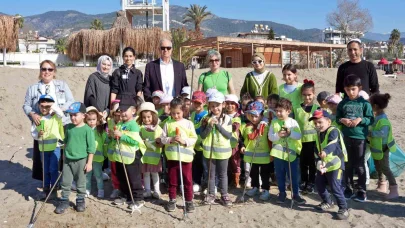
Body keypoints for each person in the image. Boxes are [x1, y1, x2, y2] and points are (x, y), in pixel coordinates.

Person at [23, 60, 75, 181]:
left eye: (50, 69)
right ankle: (46, 181)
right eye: (44, 69)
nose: (47, 72)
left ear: (54, 71)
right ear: (40, 71)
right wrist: (33, 114)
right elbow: (26, 105)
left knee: (62, 154)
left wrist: (58, 109)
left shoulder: (62, 85)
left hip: (61, 124)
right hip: (43, 125)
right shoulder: (32, 88)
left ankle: (63, 180)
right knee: (44, 155)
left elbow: (70, 101)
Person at [336, 74, 374, 202]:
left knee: (360, 165)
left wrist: (360, 119)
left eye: (353, 89)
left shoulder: (364, 104)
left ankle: (362, 191)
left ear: (359, 88)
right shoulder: (342, 103)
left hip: (360, 138)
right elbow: (337, 118)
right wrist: (342, 120)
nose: (350, 92)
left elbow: (371, 119)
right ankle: (348, 189)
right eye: (347, 89)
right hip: (346, 137)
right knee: (347, 164)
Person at [55, 102, 95, 214]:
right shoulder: (68, 128)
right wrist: (63, 159)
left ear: (83, 115)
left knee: (81, 182)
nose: (73, 117)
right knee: (66, 182)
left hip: (81, 161)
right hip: (68, 160)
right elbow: (65, 143)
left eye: (75, 115)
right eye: (71, 115)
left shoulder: (87, 130)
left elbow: (91, 148)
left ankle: (80, 200)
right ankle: (64, 200)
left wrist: (89, 163)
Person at [309, 110, 349, 220]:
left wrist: (325, 151)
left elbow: (332, 143)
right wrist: (318, 161)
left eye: (320, 122)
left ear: (328, 122)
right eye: (315, 123)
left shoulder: (334, 131)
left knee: (335, 187)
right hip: (324, 164)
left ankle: (343, 208)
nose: (317, 125)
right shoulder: (317, 133)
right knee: (319, 184)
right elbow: (317, 148)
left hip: (336, 164)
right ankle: (327, 201)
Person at [160, 97, 197, 213]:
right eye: (173, 113)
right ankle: (172, 199)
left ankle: (189, 201)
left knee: (187, 180)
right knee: (173, 180)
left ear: (184, 112)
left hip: (185, 158)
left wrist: (184, 141)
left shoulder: (188, 124)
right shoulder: (168, 123)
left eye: (178, 113)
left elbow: (194, 138)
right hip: (172, 157)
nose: (176, 116)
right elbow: (162, 138)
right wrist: (170, 139)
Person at [268, 98, 306, 204]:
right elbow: (270, 137)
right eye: (277, 111)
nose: (278, 113)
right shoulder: (274, 122)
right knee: (280, 175)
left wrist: (290, 133)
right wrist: (278, 135)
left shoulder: (293, 122)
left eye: (281, 111)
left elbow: (299, 136)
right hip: (278, 155)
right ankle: (282, 193)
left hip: (291, 155)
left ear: (288, 111)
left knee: (293, 175)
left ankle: (295, 194)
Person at [112, 99, 146, 209]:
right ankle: (125, 194)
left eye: (125, 110)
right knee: (122, 176)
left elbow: (135, 141)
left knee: (133, 178)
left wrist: (122, 136)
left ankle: (138, 198)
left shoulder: (133, 125)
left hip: (132, 156)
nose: (122, 113)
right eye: (121, 110)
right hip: (121, 156)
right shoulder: (120, 124)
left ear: (133, 111)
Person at [200, 91, 233, 206]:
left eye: (217, 105)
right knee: (210, 174)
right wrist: (209, 126)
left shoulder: (228, 119)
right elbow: (202, 135)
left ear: (223, 105)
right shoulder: (205, 118)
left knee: (223, 174)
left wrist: (218, 125)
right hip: (210, 152)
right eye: (212, 105)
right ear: (209, 106)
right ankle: (211, 194)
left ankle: (224, 195)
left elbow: (228, 135)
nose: (215, 108)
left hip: (223, 152)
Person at [31, 95, 64, 198]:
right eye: (42, 106)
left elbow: (61, 114)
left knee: (53, 169)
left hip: (55, 148)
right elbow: (33, 133)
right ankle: (46, 188)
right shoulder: (37, 118)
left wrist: (52, 106)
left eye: (47, 106)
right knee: (45, 169)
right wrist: (38, 135)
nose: (44, 108)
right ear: (39, 106)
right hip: (43, 149)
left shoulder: (55, 116)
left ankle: (54, 188)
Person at [369, 93, 399, 199]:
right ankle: (382, 184)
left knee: (385, 168)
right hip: (378, 148)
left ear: (375, 106)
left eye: (370, 104)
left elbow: (383, 133)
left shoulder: (383, 120)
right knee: (378, 166)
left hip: (384, 148)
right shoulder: (377, 117)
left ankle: (394, 188)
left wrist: (371, 133)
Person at [292, 80, 320, 193]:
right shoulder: (296, 108)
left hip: (313, 141)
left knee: (312, 163)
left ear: (313, 94)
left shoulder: (317, 108)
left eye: (309, 95)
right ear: (301, 95)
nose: (307, 97)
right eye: (304, 95)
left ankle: (311, 182)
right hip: (300, 141)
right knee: (302, 162)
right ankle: (303, 181)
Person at [241, 101, 272, 200]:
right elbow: (242, 138)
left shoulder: (266, 126)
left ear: (262, 115)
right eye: (251, 116)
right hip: (252, 156)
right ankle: (255, 187)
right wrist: (242, 146)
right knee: (253, 173)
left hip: (264, 156)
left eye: (256, 116)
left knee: (265, 174)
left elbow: (270, 140)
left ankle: (265, 189)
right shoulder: (247, 126)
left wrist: (272, 153)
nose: (254, 119)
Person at [137, 102, 163, 199]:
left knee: (154, 173)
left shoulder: (157, 128)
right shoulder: (140, 128)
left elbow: (161, 139)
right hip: (145, 156)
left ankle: (157, 190)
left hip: (154, 156)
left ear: (153, 116)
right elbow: (138, 138)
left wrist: (158, 140)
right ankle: (147, 190)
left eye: (149, 117)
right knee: (146, 173)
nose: (146, 119)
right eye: (144, 117)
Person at [85, 106, 107, 198]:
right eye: (89, 119)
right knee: (87, 175)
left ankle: (100, 190)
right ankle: (87, 189)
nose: (91, 121)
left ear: (97, 119)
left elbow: (105, 142)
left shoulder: (100, 130)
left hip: (98, 157)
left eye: (93, 119)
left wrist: (105, 154)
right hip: (86, 157)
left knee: (98, 175)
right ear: (85, 119)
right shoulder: (84, 129)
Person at [190, 91, 209, 192]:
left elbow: (203, 130)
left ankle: (206, 185)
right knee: (196, 166)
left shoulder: (206, 115)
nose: (197, 105)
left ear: (204, 103)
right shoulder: (192, 114)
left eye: (199, 103)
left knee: (205, 167)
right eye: (195, 102)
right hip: (194, 145)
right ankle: (196, 183)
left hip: (203, 145)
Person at [225, 94, 242, 188]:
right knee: (227, 162)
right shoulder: (223, 115)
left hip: (234, 143)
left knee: (235, 162)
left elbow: (234, 127)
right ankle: (228, 180)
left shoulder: (238, 116)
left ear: (236, 105)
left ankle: (236, 181)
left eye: (232, 103)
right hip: (224, 143)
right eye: (227, 103)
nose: (230, 105)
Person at [106, 100, 122, 199]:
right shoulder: (110, 122)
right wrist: (109, 135)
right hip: (112, 150)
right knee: (114, 171)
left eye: (119, 115)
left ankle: (122, 188)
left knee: (122, 171)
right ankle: (116, 188)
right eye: (116, 115)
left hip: (122, 151)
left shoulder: (125, 123)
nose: (118, 117)